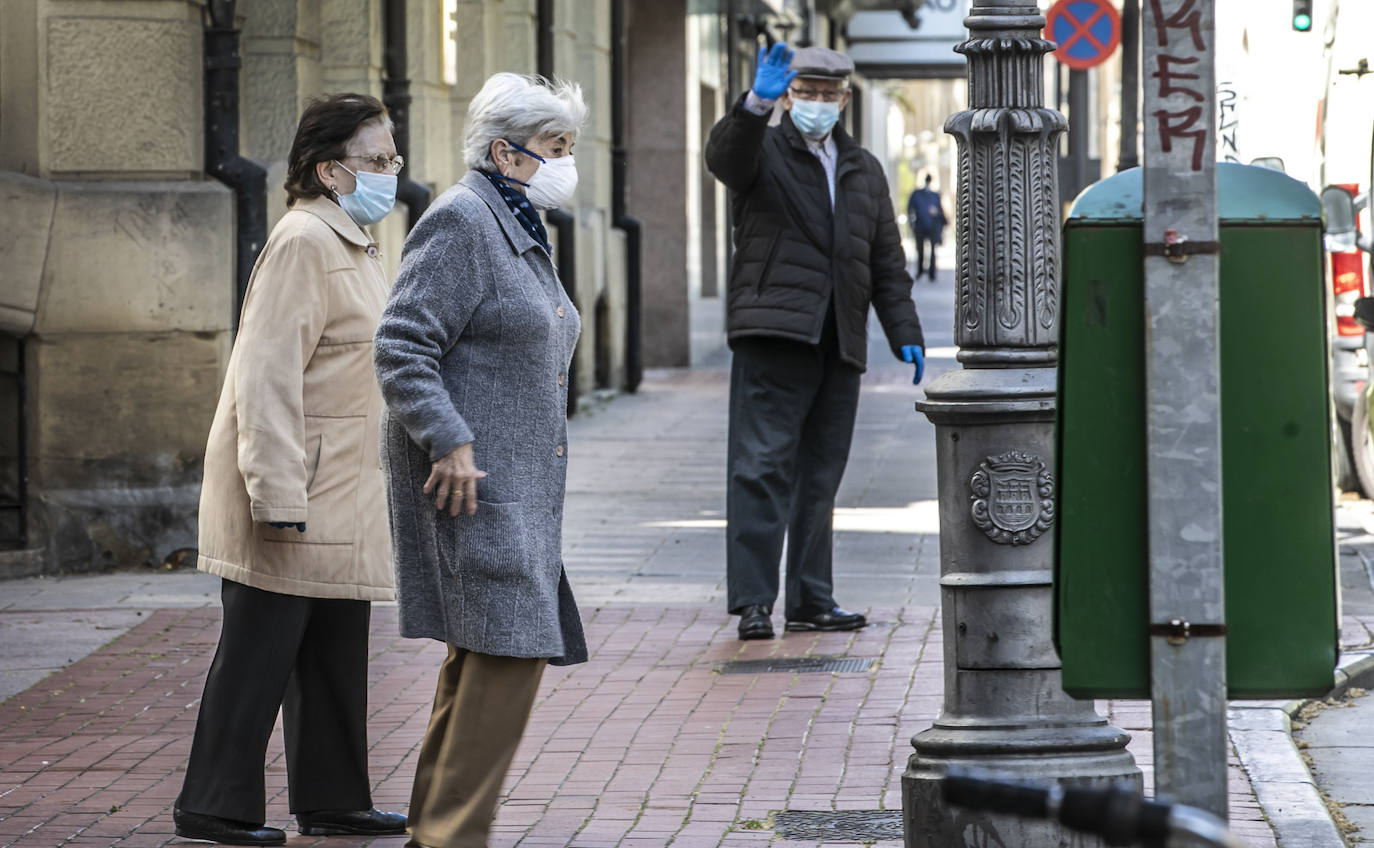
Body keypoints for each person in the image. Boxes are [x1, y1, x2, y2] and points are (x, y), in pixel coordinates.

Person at [174, 93, 407, 846]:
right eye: (376, 161)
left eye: (392, 158)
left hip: (340, 492)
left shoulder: (354, 243)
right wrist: (275, 492)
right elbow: (265, 374)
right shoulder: (305, 240)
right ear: (328, 169)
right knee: (257, 657)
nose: (390, 172)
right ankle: (213, 805)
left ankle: (335, 800)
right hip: (295, 490)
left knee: (335, 653)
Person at [373, 72, 589, 848]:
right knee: (507, 652)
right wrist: (450, 438)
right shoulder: (465, 220)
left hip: (512, 484)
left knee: (485, 659)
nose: (568, 162)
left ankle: (438, 832)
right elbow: (401, 344)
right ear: (506, 151)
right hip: (474, 482)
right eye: (556, 147)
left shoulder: (515, 223)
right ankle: (451, 837)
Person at [705, 44, 926, 641]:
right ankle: (754, 600)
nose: (817, 104)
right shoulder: (761, 148)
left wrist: (904, 330)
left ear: (845, 99)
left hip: (838, 339)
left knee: (821, 475)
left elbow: (885, 260)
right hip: (774, 331)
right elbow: (723, 159)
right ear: (790, 93)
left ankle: (810, 598)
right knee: (761, 468)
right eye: (806, 92)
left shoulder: (863, 167)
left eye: (829, 94)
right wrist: (755, 105)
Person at [907, 173, 947, 281]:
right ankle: (920, 271)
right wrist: (912, 223)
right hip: (920, 225)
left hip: (932, 226)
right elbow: (910, 209)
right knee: (920, 250)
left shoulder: (935, 195)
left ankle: (931, 273)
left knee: (933, 250)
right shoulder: (916, 194)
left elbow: (940, 212)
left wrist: (936, 213)